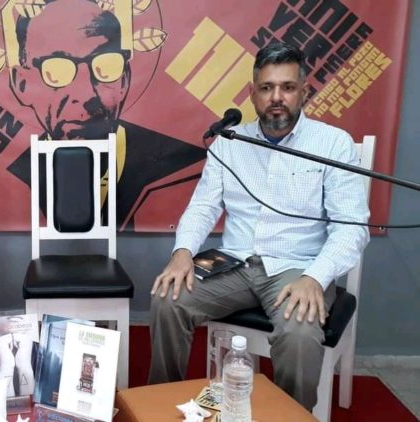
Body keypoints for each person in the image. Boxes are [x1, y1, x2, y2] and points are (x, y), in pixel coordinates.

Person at [148, 42, 369, 410]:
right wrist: (182, 252)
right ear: (252, 94)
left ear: (304, 92)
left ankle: (292, 418)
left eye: (287, 87)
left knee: (299, 333)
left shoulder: (333, 144)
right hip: (233, 263)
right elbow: (203, 206)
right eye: (267, 88)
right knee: (167, 298)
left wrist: (316, 278)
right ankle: (158, 406)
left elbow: (352, 228)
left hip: (297, 269)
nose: (276, 97)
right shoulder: (229, 142)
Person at [4, 0, 206, 229]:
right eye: (56, 70)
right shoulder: (14, 179)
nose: (86, 94)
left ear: (125, 79)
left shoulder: (181, 169)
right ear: (21, 84)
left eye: (106, 66)